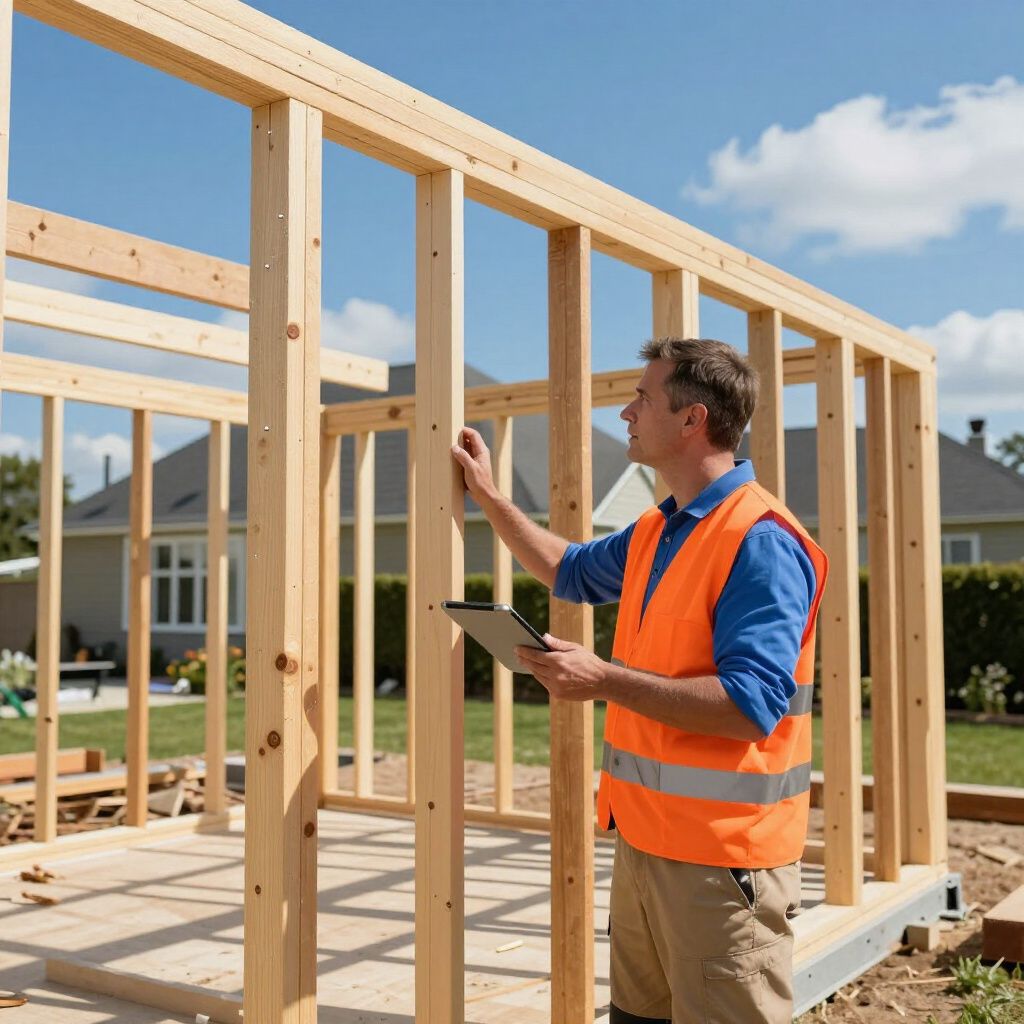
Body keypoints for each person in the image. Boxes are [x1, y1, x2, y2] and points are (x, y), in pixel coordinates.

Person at [450, 337, 828, 1024]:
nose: (625, 414)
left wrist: (602, 679)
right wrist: (489, 496)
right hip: (646, 843)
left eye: (642, 398)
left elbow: (751, 707)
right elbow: (569, 570)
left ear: (692, 421)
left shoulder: (760, 540)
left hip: (722, 862)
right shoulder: (662, 529)